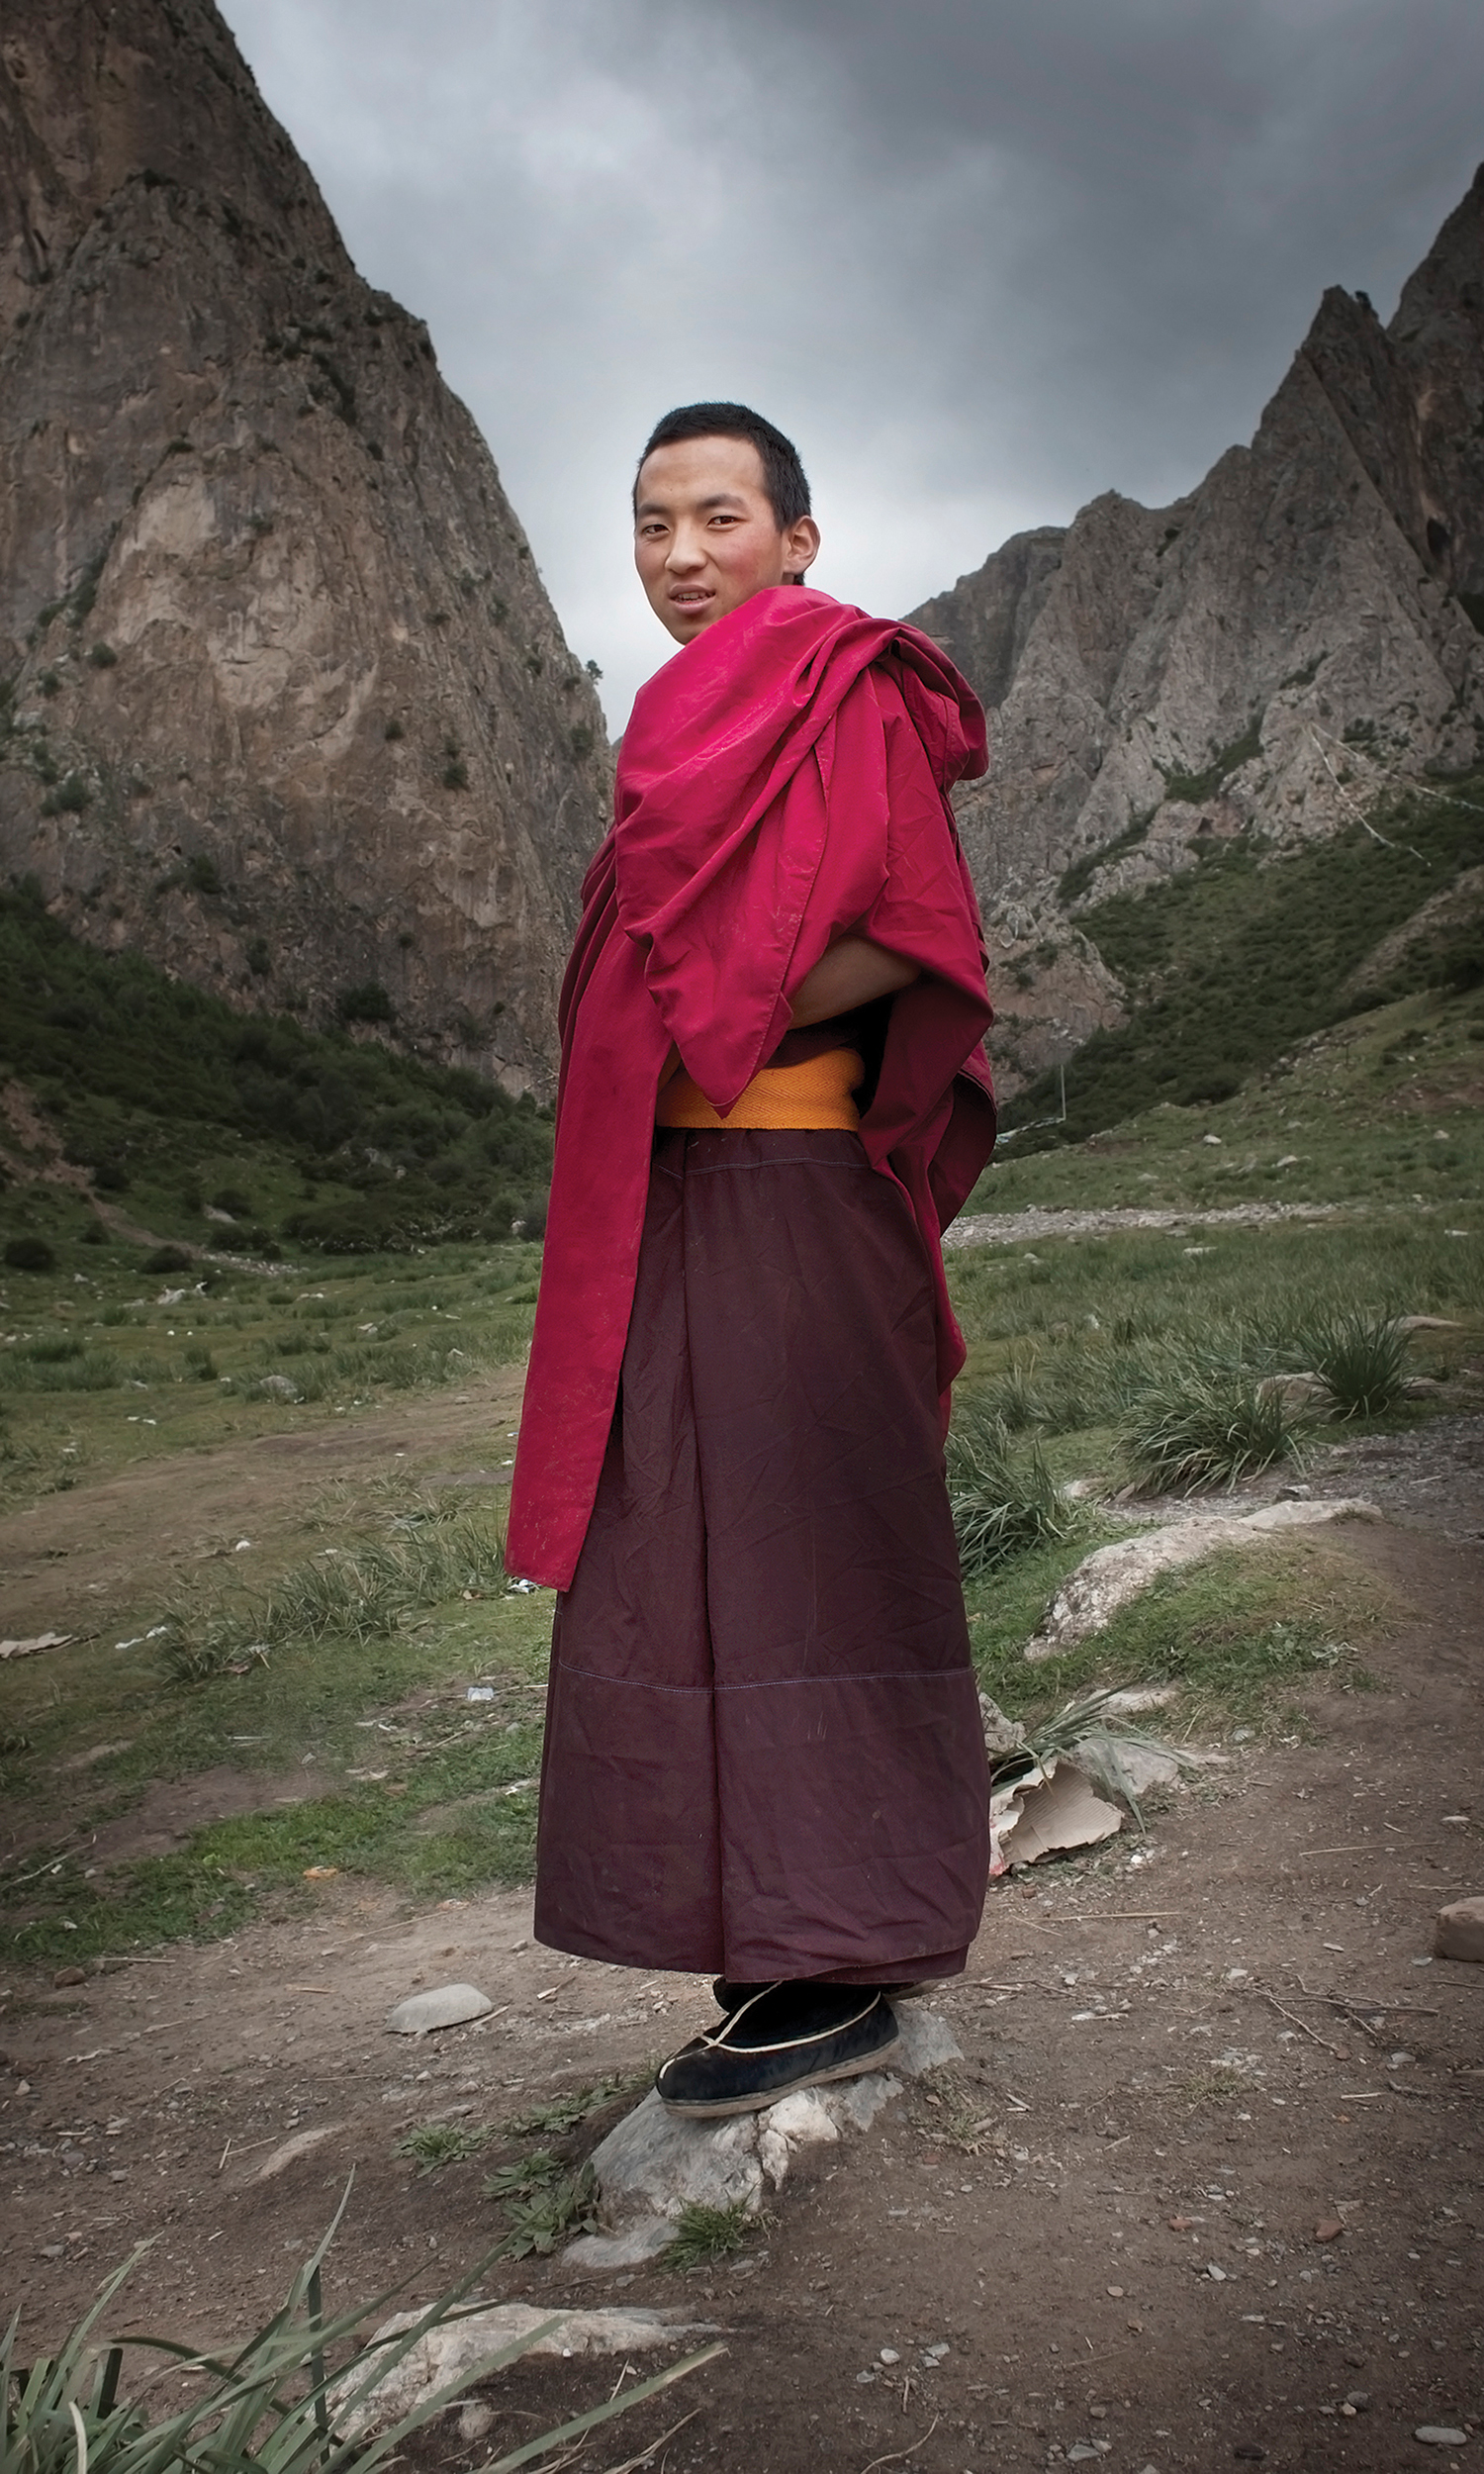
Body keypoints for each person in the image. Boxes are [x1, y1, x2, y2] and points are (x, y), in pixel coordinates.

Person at [505, 402, 997, 2118]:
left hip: (796, 1177)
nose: (681, 554)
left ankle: (850, 1951)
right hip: (685, 1200)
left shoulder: (841, 680)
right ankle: (760, 1936)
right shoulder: (676, 715)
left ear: (795, 539)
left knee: (813, 1548)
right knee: (681, 1551)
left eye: (718, 516)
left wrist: (711, 1016)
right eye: (651, 524)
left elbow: (913, 934)